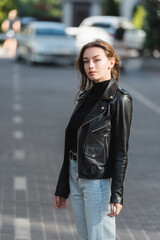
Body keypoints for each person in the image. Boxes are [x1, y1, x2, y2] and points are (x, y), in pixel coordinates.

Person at [54, 39, 133, 240]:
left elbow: (120, 151)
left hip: (98, 179)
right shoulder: (86, 96)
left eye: (97, 60)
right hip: (76, 173)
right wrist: (63, 187)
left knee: (99, 236)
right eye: (86, 61)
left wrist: (117, 194)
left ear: (111, 62)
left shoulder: (119, 99)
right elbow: (72, 141)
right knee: (85, 236)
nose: (90, 66)